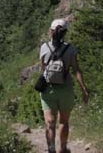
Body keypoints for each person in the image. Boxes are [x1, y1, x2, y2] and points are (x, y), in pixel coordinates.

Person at [39, 18, 88, 153]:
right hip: (66, 89)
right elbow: (77, 70)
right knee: (63, 122)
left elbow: (42, 70)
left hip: (48, 89)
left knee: (50, 123)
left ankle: (51, 149)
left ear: (51, 31)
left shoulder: (44, 48)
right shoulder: (71, 49)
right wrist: (84, 89)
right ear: (65, 32)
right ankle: (63, 148)